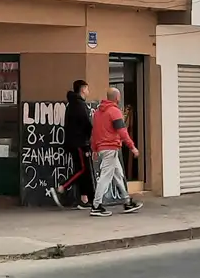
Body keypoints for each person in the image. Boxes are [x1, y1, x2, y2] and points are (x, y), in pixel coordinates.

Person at [90, 87, 142, 217]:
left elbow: (94, 132)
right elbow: (122, 132)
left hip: (102, 148)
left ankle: (127, 201)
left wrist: (95, 148)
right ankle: (96, 205)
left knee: (118, 175)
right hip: (111, 149)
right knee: (105, 177)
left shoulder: (97, 112)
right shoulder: (115, 111)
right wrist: (132, 147)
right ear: (117, 98)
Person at [47, 79, 94, 210]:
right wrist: (89, 137)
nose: (89, 91)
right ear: (83, 89)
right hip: (79, 142)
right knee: (82, 169)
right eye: (87, 88)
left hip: (75, 141)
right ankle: (61, 187)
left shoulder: (72, 104)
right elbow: (86, 123)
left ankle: (84, 198)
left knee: (83, 170)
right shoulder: (80, 105)